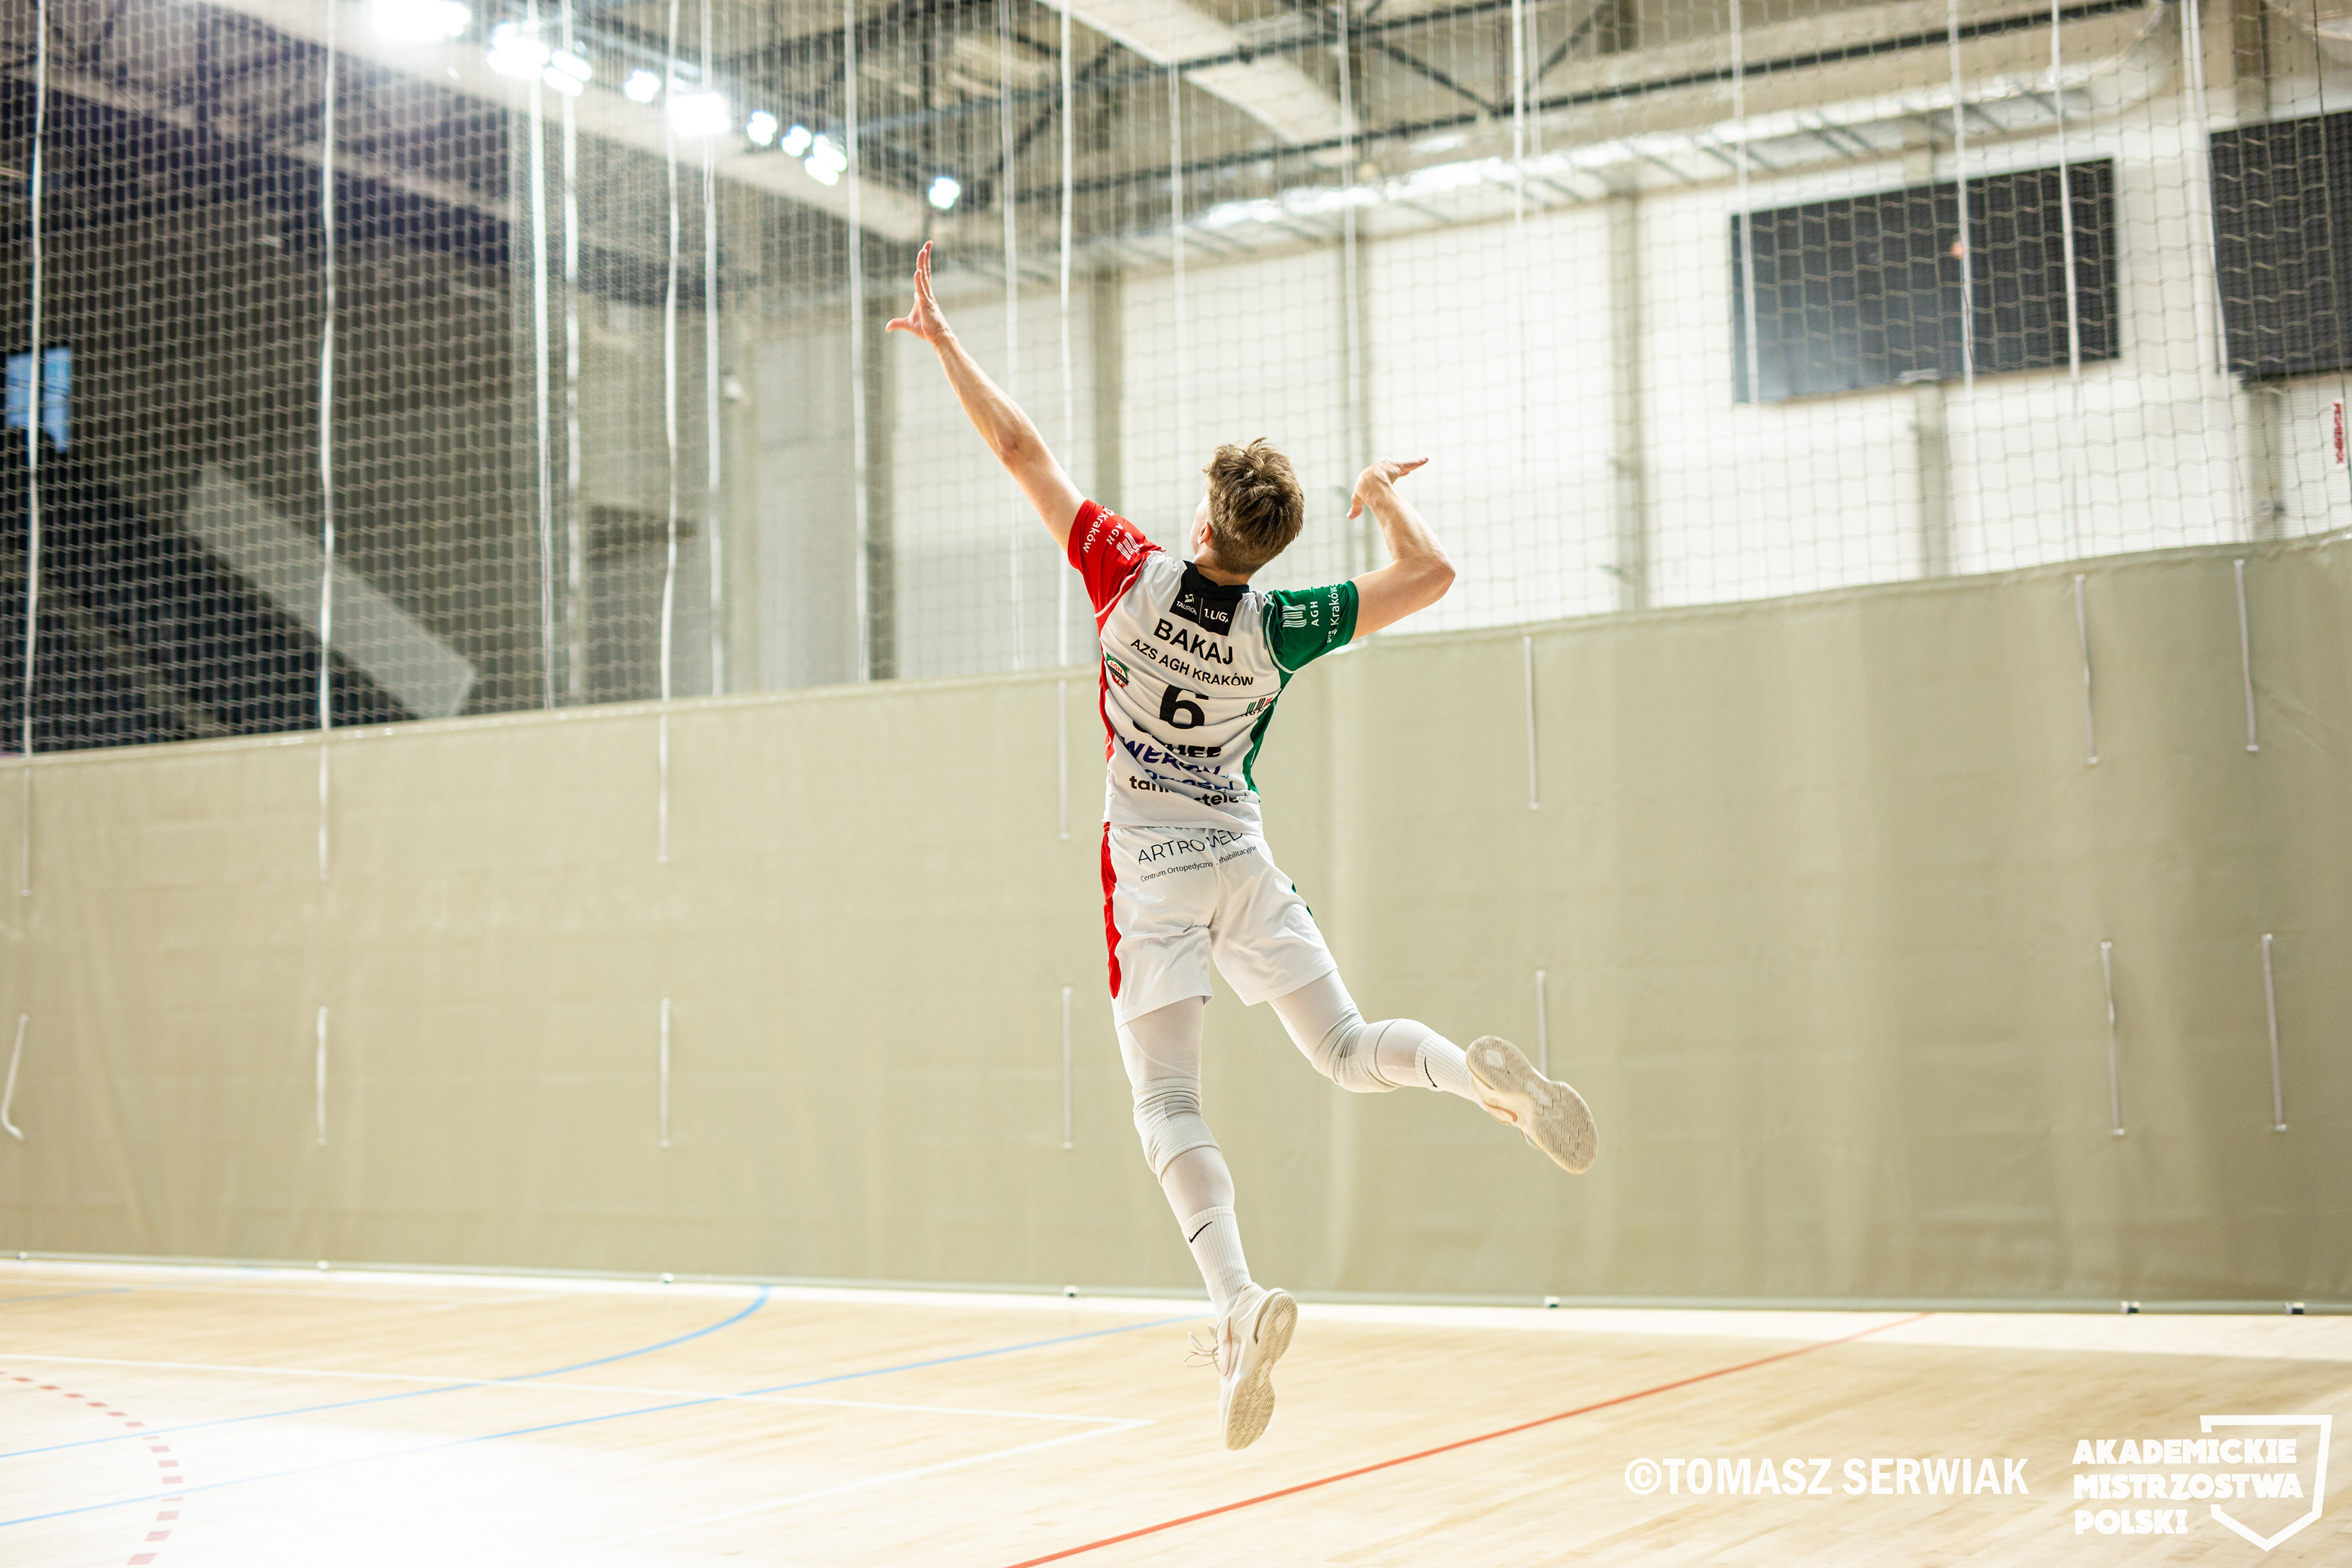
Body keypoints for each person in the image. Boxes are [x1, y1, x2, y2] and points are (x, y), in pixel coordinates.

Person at [889, 242, 1596, 1452]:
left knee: (1166, 1099)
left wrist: (947, 341)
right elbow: (1432, 574)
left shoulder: (1127, 573)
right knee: (1350, 1048)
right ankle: (1481, 1085)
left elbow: (1020, 451)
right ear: (1268, 543)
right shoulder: (1285, 621)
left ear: (1207, 518)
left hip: (1153, 873)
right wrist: (1380, 494)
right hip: (1241, 861)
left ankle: (1236, 1300)